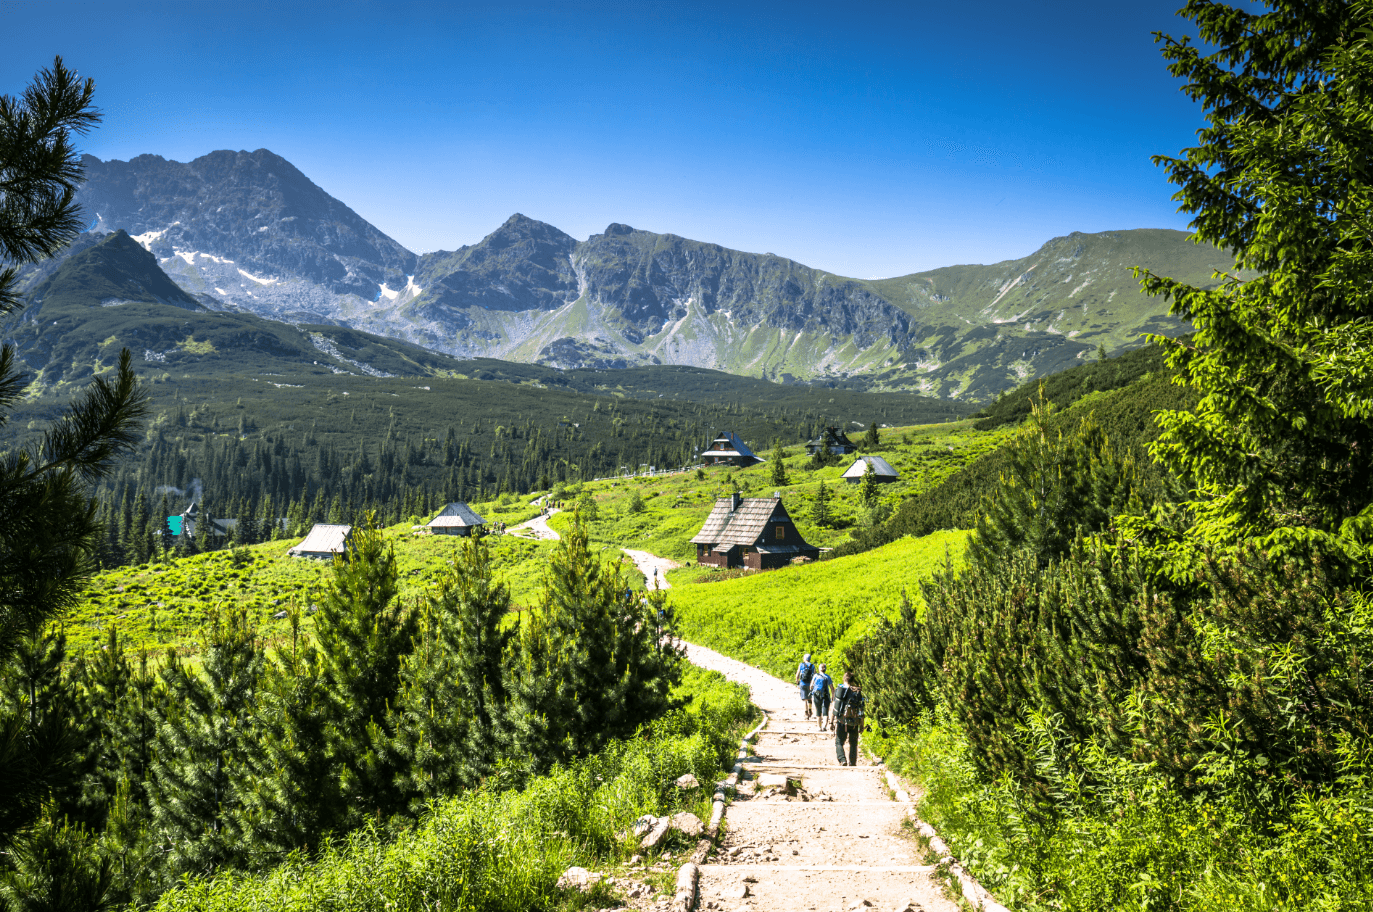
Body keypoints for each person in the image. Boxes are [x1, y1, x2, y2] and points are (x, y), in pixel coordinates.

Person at [833, 671, 866, 766]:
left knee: (839, 742)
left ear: (844, 679)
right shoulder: (857, 692)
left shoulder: (840, 690)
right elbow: (861, 710)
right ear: (853, 680)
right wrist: (861, 724)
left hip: (842, 721)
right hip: (855, 722)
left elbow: (835, 707)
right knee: (853, 743)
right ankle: (852, 762)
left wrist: (831, 722)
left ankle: (842, 760)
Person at [810, 663, 833, 730]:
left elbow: (811, 686)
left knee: (818, 710)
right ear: (825, 669)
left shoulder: (815, 676)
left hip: (817, 695)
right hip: (826, 695)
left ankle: (819, 727)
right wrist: (832, 695)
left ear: (819, 669)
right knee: (825, 711)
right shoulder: (828, 677)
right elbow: (831, 687)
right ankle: (825, 726)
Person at [795, 653, 816, 719]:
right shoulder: (812, 666)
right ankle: (810, 710)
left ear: (804, 658)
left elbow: (797, 675)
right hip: (810, 684)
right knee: (810, 699)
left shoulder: (801, 665)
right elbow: (815, 675)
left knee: (805, 700)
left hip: (802, 684)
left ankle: (806, 713)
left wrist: (797, 681)